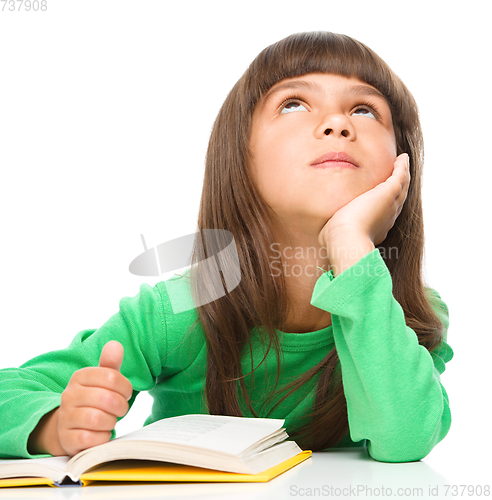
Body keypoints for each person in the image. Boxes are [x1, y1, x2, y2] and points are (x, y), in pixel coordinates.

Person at [0, 31, 453, 463]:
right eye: (294, 104)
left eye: (365, 110)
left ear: (401, 162)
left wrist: (351, 242)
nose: (337, 123)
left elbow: (406, 438)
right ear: (240, 156)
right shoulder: (182, 309)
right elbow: (12, 389)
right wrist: (53, 425)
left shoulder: (406, 312)